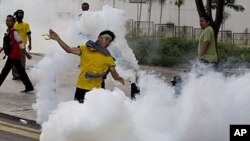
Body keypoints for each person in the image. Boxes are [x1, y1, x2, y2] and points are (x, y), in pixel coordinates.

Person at [47, 29, 125, 103]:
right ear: (99, 38)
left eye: (110, 41)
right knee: (78, 111)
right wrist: (58, 39)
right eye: (106, 39)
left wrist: (118, 78)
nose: (107, 42)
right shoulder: (85, 49)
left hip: (96, 91)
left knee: (94, 114)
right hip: (81, 87)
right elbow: (68, 49)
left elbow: (113, 72)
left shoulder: (108, 57)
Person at [0, 15, 34, 93]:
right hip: (13, 55)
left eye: (10, 20)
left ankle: (29, 86)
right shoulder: (9, 31)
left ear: (13, 22)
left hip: (14, 55)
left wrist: (26, 53)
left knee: (4, 71)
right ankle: (29, 86)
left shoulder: (14, 32)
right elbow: (9, 43)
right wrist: (2, 49)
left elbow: (20, 43)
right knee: (21, 71)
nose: (8, 22)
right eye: (7, 20)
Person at [12, 9, 32, 80]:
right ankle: (15, 75)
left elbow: (29, 34)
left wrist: (30, 44)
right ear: (17, 15)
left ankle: (21, 75)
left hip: (22, 44)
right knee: (14, 60)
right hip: (14, 44)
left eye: (22, 14)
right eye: (19, 14)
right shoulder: (14, 24)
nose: (20, 15)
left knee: (22, 61)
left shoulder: (26, 24)